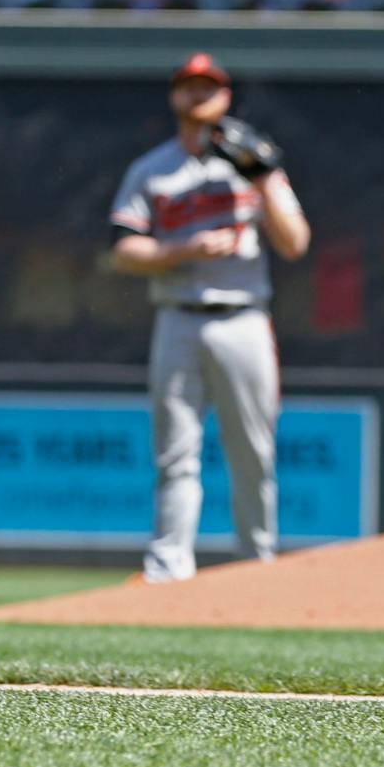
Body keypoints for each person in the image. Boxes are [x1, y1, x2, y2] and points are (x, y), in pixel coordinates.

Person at [108, 54, 312, 583]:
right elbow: (123, 250)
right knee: (175, 452)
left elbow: (295, 243)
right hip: (177, 315)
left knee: (253, 451)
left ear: (225, 96)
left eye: (209, 86)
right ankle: (168, 568)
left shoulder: (252, 165)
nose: (199, 95)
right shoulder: (152, 169)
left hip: (244, 317)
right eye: (189, 86)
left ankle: (256, 564)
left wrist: (263, 177)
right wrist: (182, 249)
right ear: (175, 96)